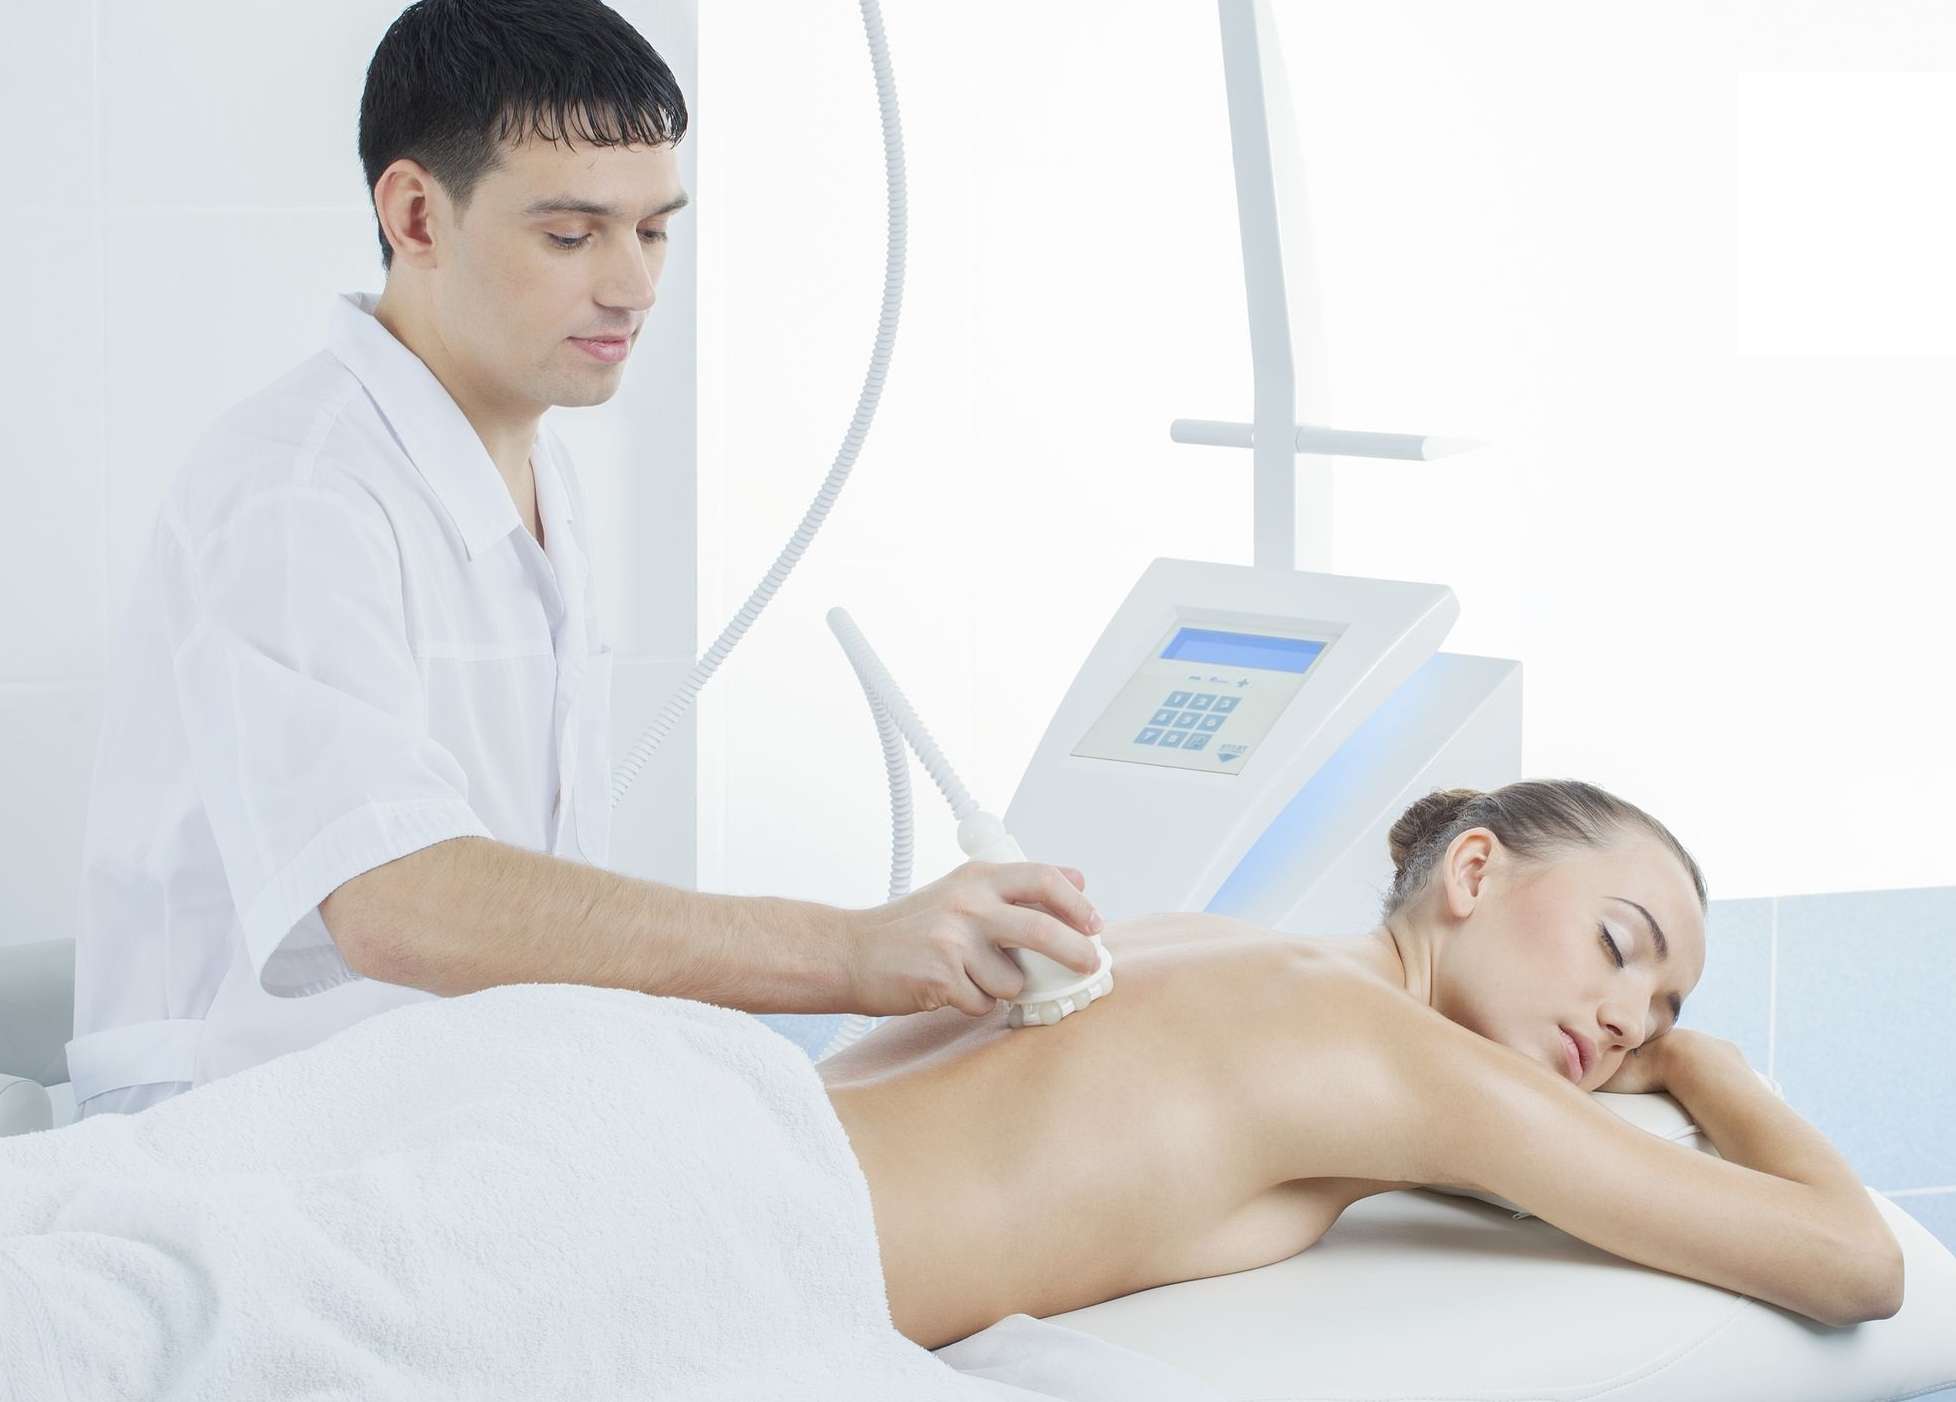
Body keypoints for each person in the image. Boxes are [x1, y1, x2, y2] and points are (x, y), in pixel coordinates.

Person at [66, 0, 1102, 1119]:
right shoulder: (299, 492)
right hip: (243, 1123)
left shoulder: (531, 465)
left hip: (462, 1096)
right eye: (572, 235)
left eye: (653, 230)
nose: (634, 287)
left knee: (1069, 1049)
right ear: (416, 214)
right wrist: (849, 950)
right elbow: (399, 901)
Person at [817, 779, 1907, 1349]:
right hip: (753, 1235)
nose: (1632, 1022)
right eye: (1619, 947)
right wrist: (1704, 1064)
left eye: (1665, 1012)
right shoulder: (1391, 1052)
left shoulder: (1205, 939)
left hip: (747, 1119)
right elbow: (1859, 1267)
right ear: (1473, 871)